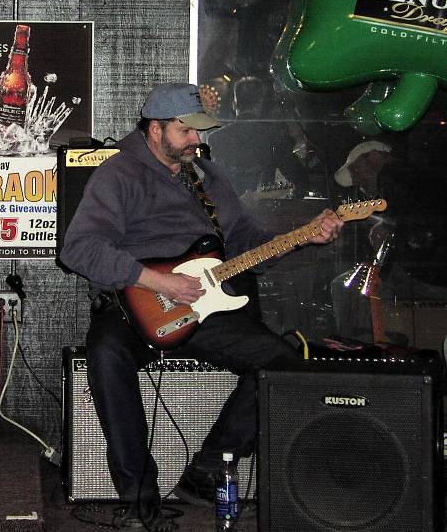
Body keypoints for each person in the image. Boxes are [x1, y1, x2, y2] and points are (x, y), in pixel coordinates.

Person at [59, 83, 342, 531]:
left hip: (204, 305)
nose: (197, 140)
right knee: (106, 353)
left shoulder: (209, 177)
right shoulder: (118, 174)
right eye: (186, 131)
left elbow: (247, 244)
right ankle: (139, 500)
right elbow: (78, 249)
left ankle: (208, 468)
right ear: (156, 130)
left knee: (284, 363)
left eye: (199, 131)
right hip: (135, 304)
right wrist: (157, 280)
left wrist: (303, 237)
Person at [331, 140, 447, 338]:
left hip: (427, 276)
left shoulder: (392, 174)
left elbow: (409, 225)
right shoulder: (415, 175)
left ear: (375, 155)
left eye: (356, 170)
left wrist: (387, 229)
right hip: (428, 273)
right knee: (361, 284)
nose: (356, 180)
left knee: (349, 287)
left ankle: (370, 346)